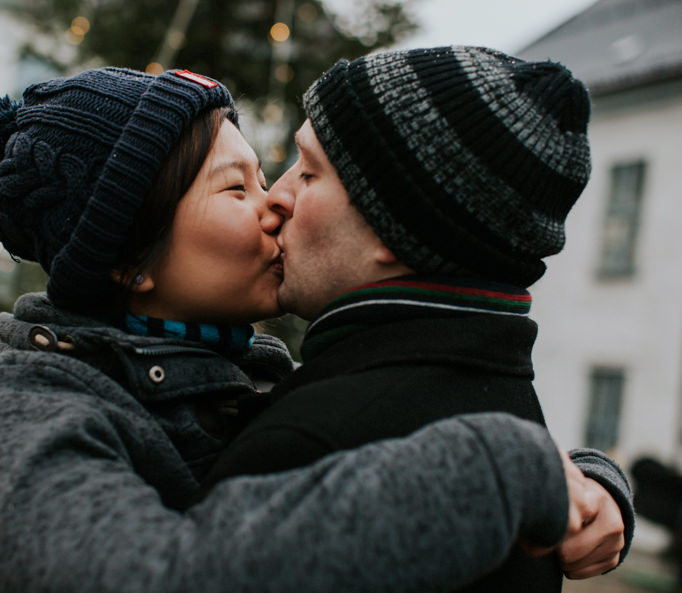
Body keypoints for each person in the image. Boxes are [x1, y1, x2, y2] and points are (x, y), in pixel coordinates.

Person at [0, 65, 625, 593]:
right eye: (237, 189)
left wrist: (586, 482)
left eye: (269, 177)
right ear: (131, 258)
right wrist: (497, 471)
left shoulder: (249, 373)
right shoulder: (19, 409)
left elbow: (386, 439)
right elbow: (158, 575)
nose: (278, 204)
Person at [199, 46, 633, 591]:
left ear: (393, 228)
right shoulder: (513, 423)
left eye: (309, 172)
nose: (276, 197)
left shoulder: (312, 446)